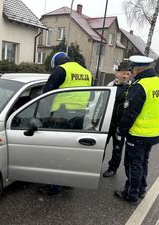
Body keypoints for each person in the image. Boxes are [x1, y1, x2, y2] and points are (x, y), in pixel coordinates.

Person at [114, 55, 159, 203]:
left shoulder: (140, 86)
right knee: (143, 161)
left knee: (133, 164)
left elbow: (130, 113)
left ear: (138, 69)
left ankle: (131, 193)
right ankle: (141, 189)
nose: (131, 71)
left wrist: (121, 130)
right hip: (155, 132)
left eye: (132, 69)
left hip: (139, 133)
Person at [38, 51, 93, 196]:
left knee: (57, 153)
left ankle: (54, 187)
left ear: (56, 62)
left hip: (61, 116)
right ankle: (68, 182)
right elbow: (92, 94)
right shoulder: (86, 72)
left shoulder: (61, 70)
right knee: (71, 152)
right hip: (79, 116)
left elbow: (46, 92)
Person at [102, 61, 132, 177]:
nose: (125, 76)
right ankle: (97, 163)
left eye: (128, 74)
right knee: (101, 145)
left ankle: (112, 168)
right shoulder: (110, 86)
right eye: (123, 73)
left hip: (121, 124)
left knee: (117, 148)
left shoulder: (131, 88)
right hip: (107, 122)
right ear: (117, 73)